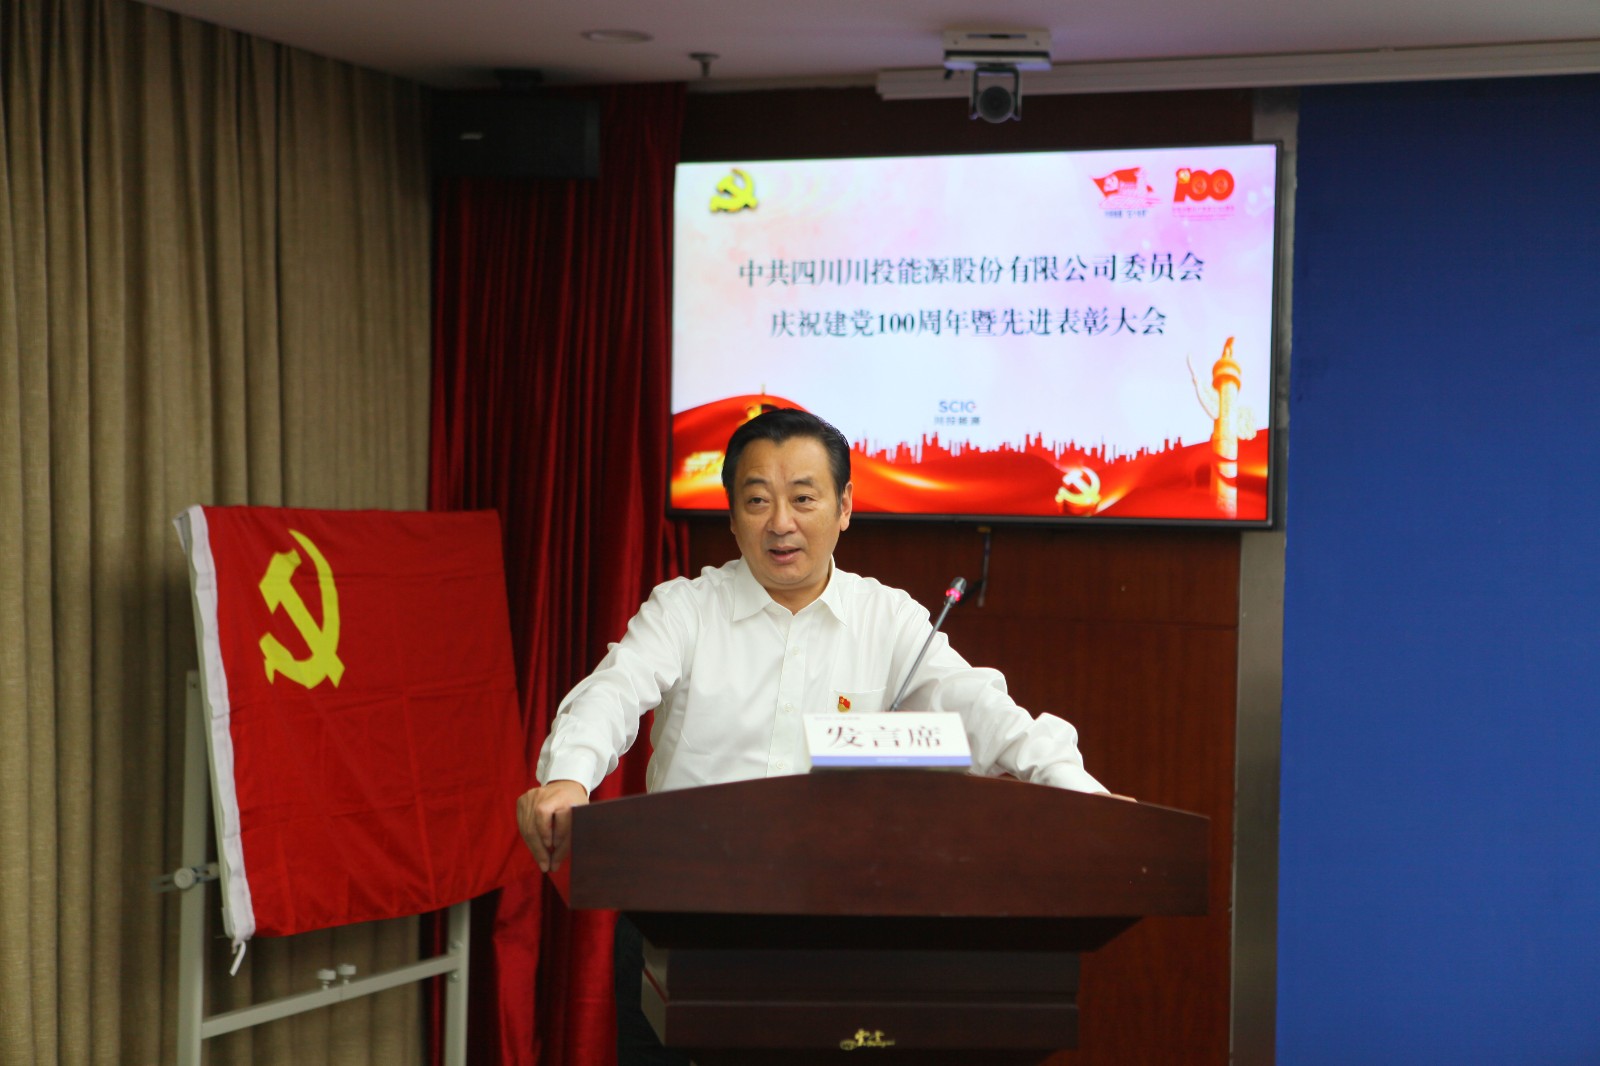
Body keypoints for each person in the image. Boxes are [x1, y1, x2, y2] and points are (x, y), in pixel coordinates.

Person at [515, 408, 1113, 1065]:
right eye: (757, 500)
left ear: (844, 506)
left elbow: (981, 708)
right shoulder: (685, 609)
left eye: (803, 498)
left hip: (829, 931)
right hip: (685, 921)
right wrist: (568, 777)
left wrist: (1079, 793)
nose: (781, 523)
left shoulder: (886, 618)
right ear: (732, 514)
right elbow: (614, 691)